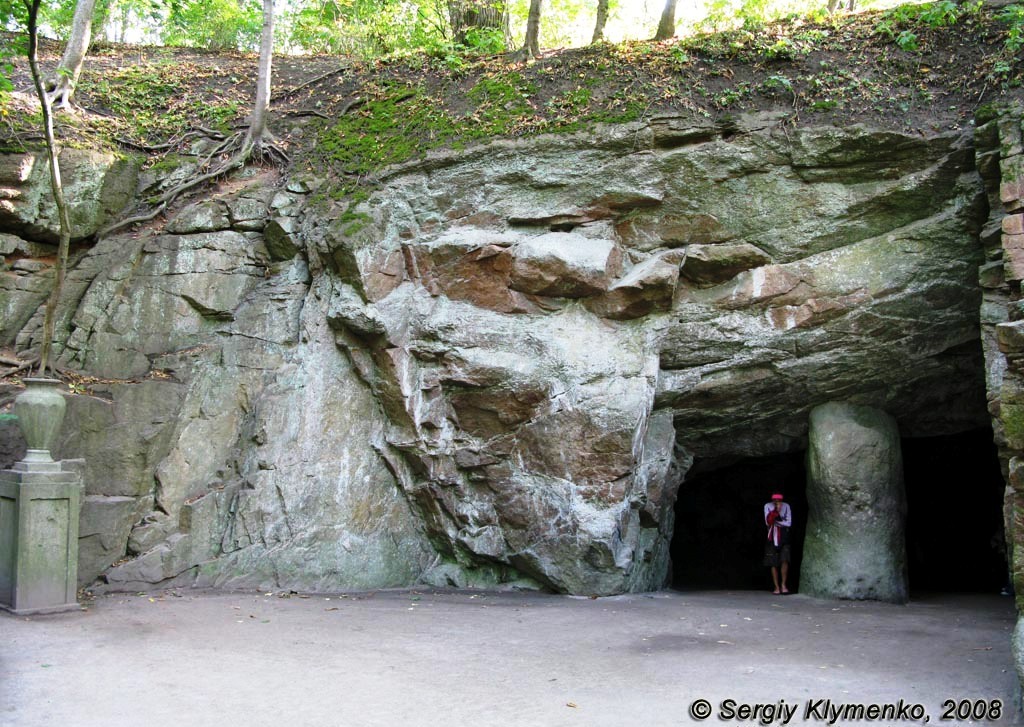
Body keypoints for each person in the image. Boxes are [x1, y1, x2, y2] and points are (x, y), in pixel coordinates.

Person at [763, 492, 792, 594]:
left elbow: (789, 523)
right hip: (771, 536)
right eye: (775, 500)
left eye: (779, 500)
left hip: (784, 536)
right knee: (773, 562)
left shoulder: (786, 506)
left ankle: (784, 585)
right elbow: (768, 522)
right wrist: (776, 511)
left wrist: (777, 521)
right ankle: (776, 587)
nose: (777, 502)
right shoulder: (767, 506)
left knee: (785, 560)